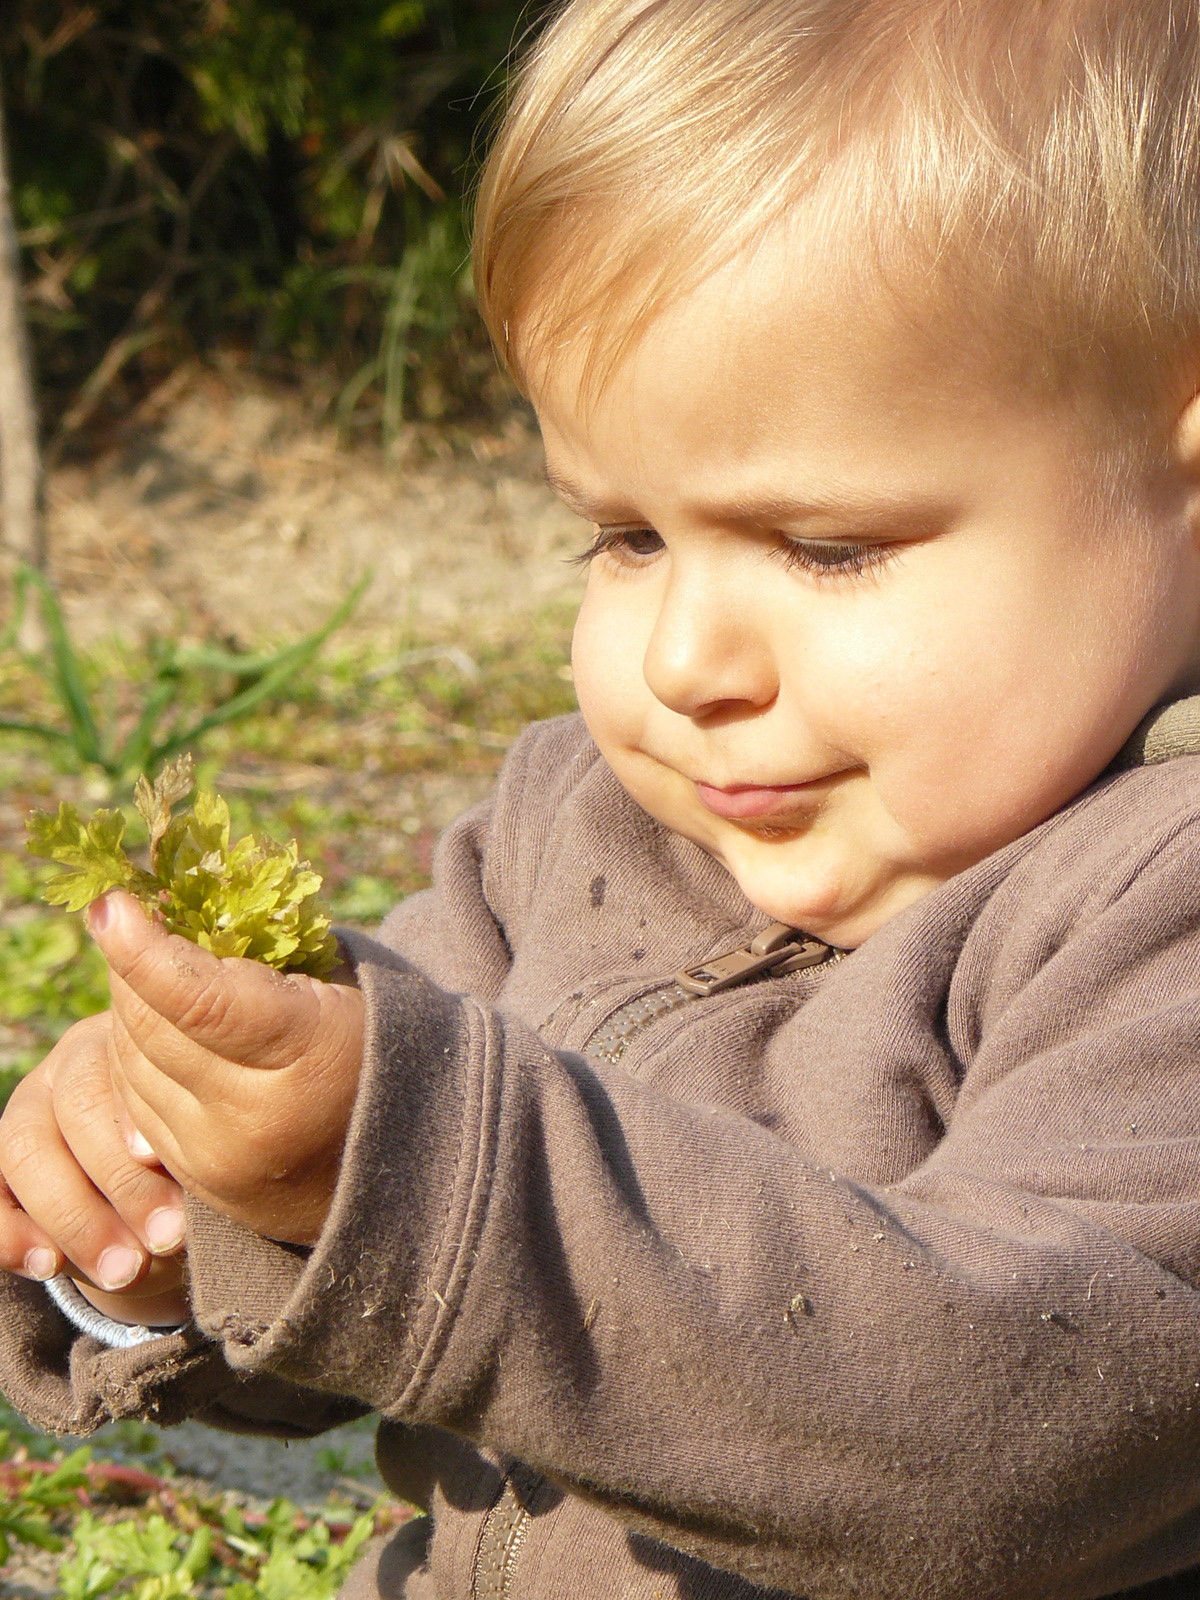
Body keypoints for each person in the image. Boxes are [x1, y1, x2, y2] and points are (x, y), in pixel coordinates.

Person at [6, 1, 1200, 1595]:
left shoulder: (1157, 916)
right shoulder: (573, 832)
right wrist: (177, 1207)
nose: (687, 656)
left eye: (826, 546)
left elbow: (1021, 1431)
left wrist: (410, 1164)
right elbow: (373, 1285)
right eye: (625, 536)